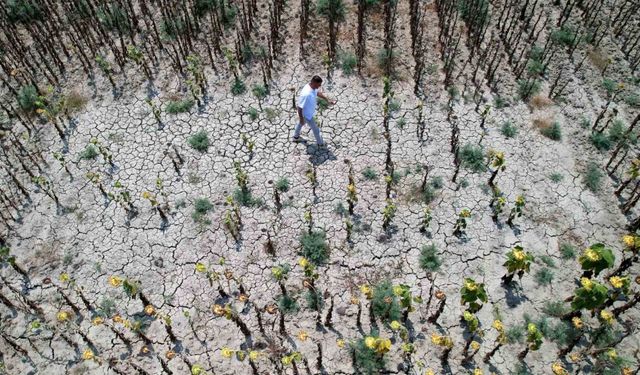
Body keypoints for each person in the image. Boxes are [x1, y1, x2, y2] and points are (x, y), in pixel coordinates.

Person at [293, 75, 336, 146]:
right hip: (307, 115)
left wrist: (327, 100)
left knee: (300, 124)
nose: (319, 86)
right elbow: (299, 107)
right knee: (316, 129)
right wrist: (301, 118)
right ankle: (320, 143)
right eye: (318, 85)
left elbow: (318, 93)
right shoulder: (306, 94)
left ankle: (296, 137)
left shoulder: (312, 86)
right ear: (314, 82)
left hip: (307, 113)